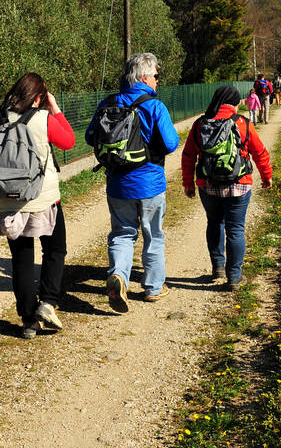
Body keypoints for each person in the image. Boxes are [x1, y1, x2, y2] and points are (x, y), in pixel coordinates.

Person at [90, 53, 177, 307]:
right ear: (144, 77)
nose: (157, 81)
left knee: (122, 234)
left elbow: (90, 136)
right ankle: (153, 287)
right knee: (153, 235)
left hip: (117, 184)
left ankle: (119, 275)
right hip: (150, 184)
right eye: (156, 76)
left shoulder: (108, 103)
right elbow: (171, 143)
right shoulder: (154, 106)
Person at [1, 74, 73, 339]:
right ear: (39, 96)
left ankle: (28, 320)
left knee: (22, 260)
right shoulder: (44, 119)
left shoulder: (2, 117)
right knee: (55, 250)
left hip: (9, 200)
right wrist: (55, 109)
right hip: (44, 199)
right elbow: (68, 141)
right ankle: (48, 302)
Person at [182, 85, 272, 287]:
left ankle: (218, 267)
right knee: (236, 229)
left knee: (214, 223)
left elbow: (188, 156)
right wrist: (267, 176)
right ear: (233, 103)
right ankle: (234, 277)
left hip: (208, 185)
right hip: (239, 185)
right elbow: (260, 152)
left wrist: (188, 183)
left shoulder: (200, 124)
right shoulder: (242, 123)